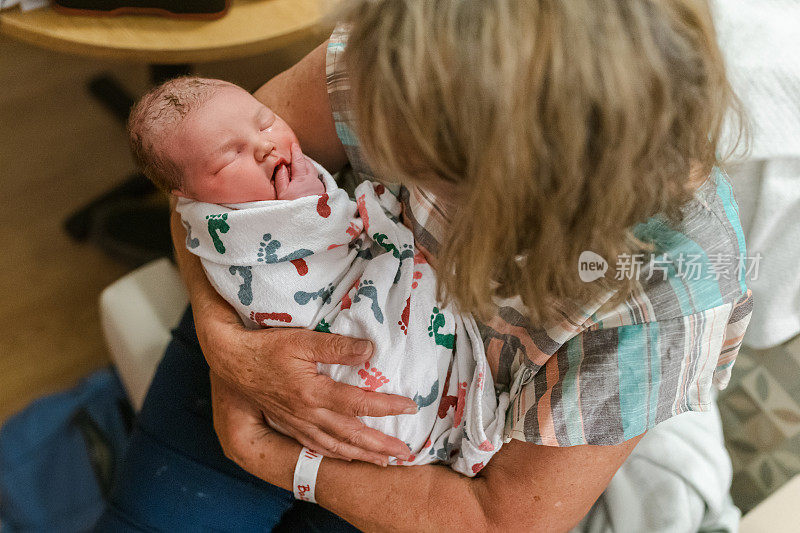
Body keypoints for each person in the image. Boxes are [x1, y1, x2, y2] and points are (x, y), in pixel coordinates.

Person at [96, 1, 753, 531]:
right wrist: (229, 350)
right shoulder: (416, 49)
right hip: (275, 320)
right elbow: (201, 182)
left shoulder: (672, 289)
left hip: (435, 466)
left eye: (424, 154)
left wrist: (273, 457)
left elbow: (497, 519)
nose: (383, 142)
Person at [126, 76, 508, 477]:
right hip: (313, 346)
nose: (264, 145)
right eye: (229, 157)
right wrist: (311, 205)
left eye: (266, 121)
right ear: (189, 195)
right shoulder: (228, 223)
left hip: (336, 434)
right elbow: (331, 231)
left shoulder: (228, 175)